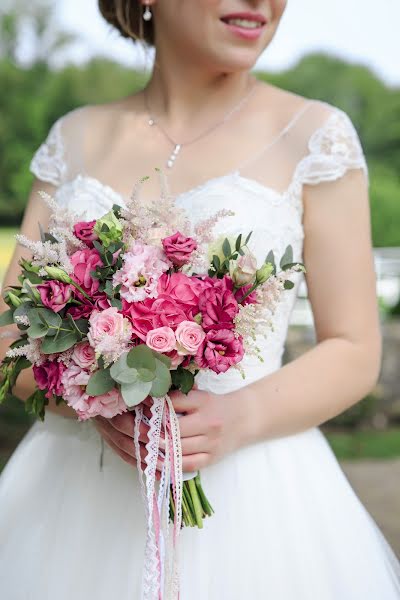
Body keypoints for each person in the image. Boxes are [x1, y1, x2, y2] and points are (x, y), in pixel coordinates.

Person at [0, 1, 399, 598]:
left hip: (255, 499)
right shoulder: (74, 137)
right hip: (70, 492)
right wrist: (93, 398)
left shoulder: (316, 136)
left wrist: (238, 416)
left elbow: (355, 348)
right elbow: (9, 344)